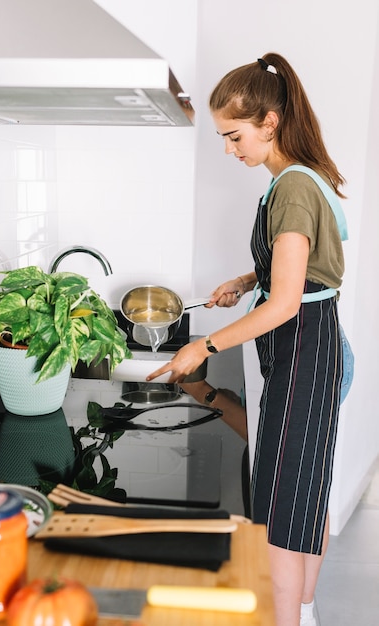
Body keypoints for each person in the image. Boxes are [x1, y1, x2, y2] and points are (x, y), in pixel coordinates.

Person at [147, 52, 346, 626]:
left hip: (302, 344)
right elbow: (301, 272)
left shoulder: (291, 188)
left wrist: (204, 347)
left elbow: (285, 302)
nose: (230, 150)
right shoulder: (301, 179)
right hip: (311, 345)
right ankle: (305, 613)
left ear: (270, 123)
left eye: (234, 136)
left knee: (282, 512)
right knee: (305, 495)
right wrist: (242, 281)